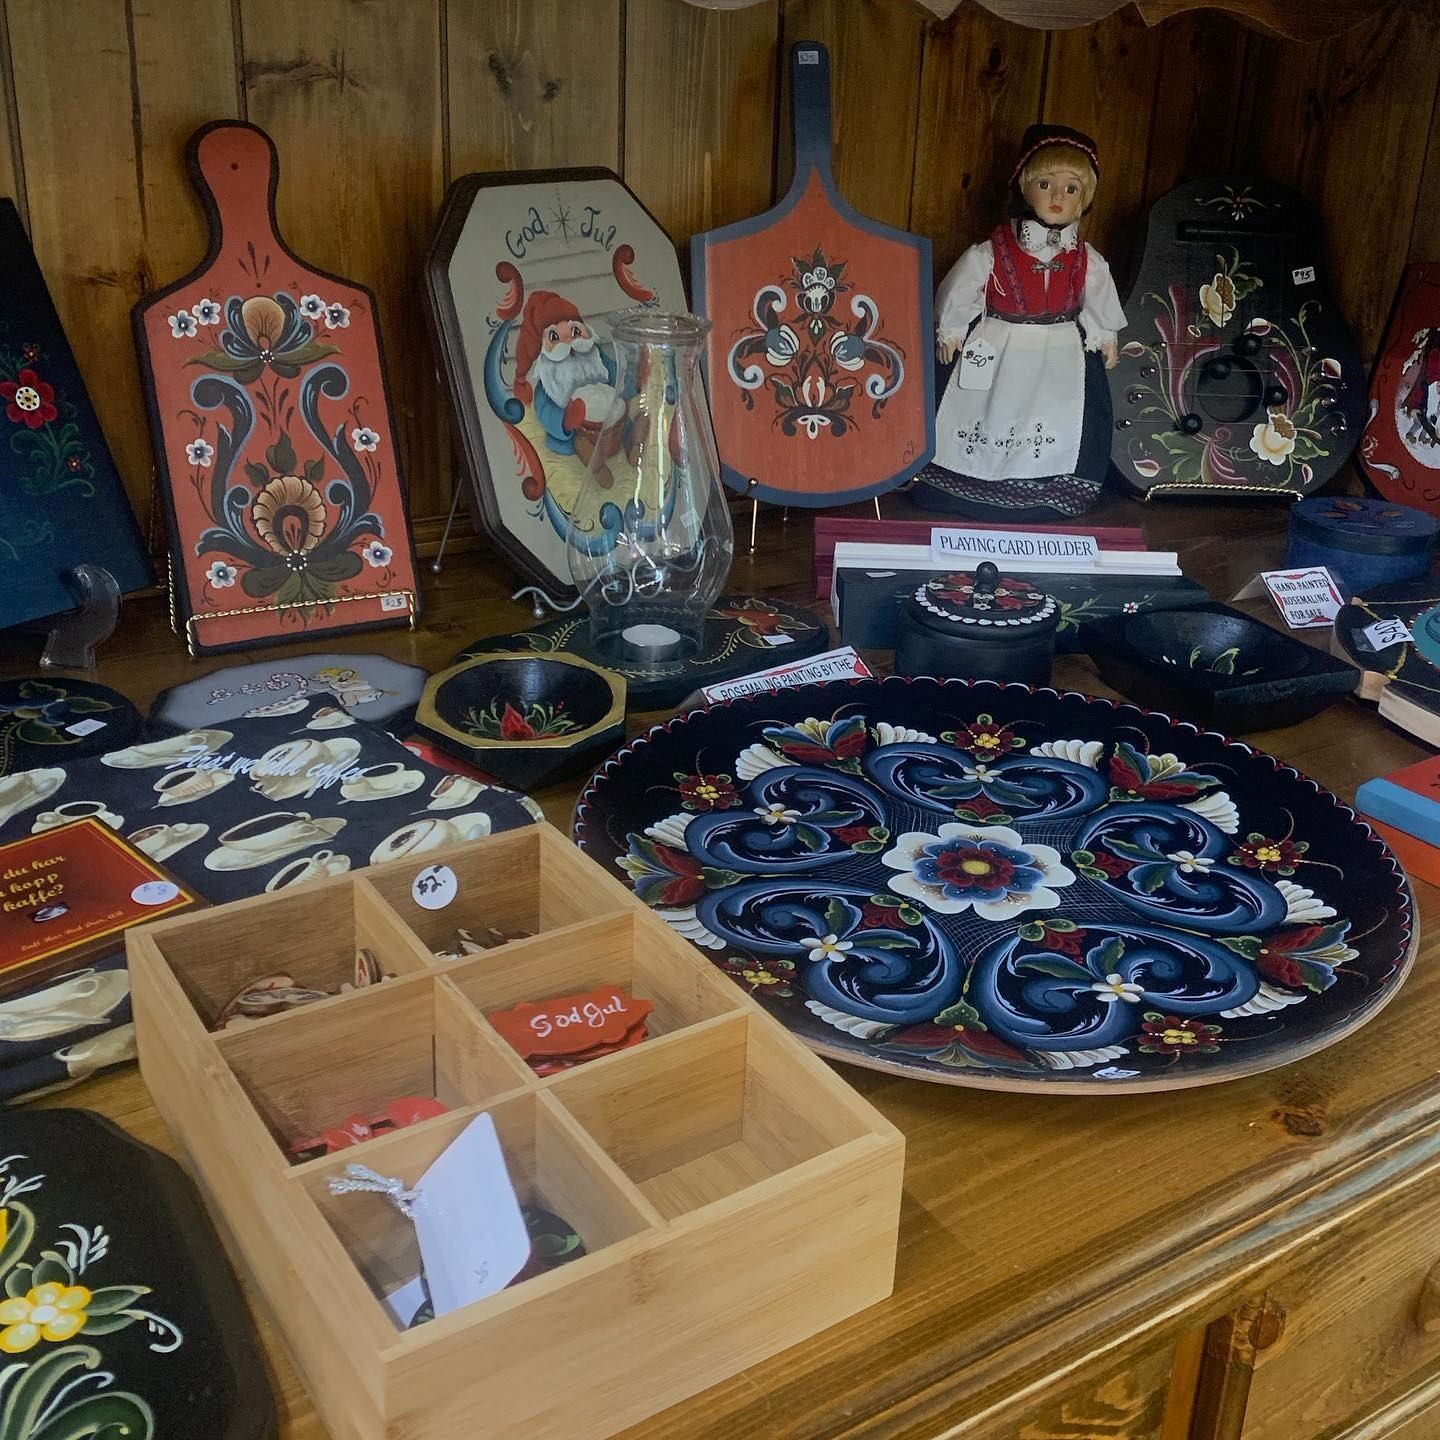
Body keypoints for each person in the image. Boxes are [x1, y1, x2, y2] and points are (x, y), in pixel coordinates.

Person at [916, 123, 1126, 520]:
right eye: (1045, 184)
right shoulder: (992, 251)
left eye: (1071, 189)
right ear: (1024, 187)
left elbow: (1098, 296)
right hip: (1000, 341)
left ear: (1085, 197)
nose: (1058, 198)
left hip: (1059, 348)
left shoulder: (1085, 257)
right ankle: (964, 482)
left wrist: (1104, 333)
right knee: (988, 407)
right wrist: (952, 328)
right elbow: (961, 289)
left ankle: (1051, 487)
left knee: (1053, 412)